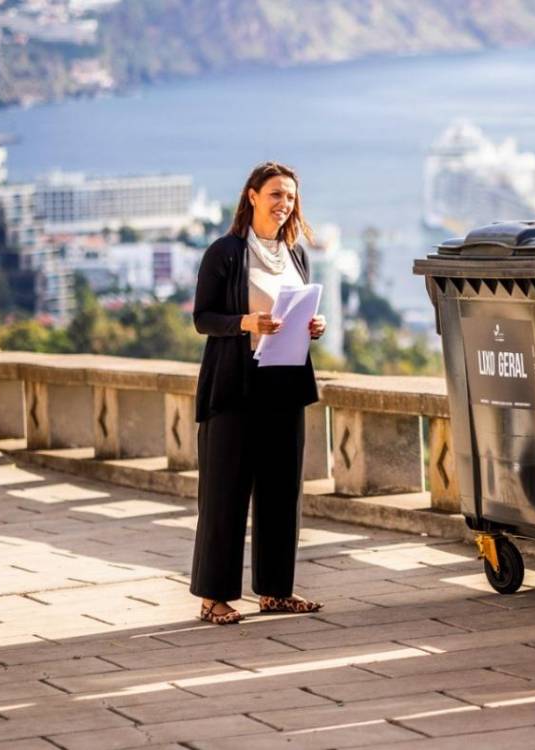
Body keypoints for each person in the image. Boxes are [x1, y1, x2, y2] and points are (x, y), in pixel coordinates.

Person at [189, 161, 329, 625]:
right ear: (252, 196)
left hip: (285, 383)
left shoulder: (296, 254)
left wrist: (314, 326)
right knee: (225, 493)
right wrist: (245, 322)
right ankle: (213, 598)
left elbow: (295, 312)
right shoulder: (225, 252)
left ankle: (275, 591)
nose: (284, 203)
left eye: (290, 196)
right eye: (275, 194)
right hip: (235, 385)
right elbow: (203, 318)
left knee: (281, 493)